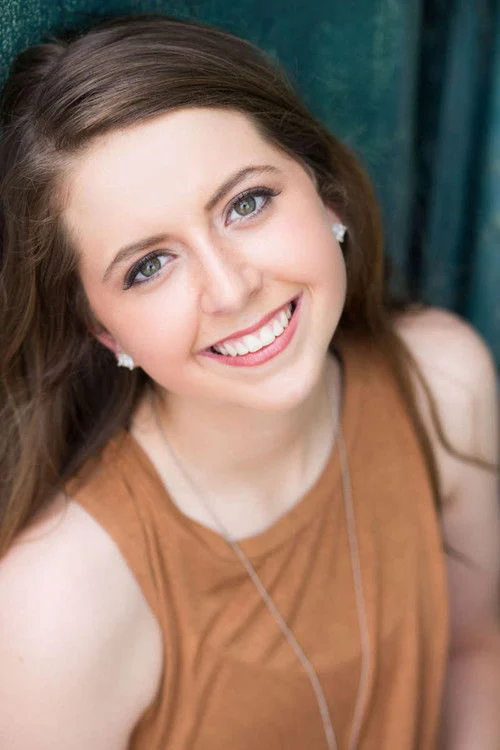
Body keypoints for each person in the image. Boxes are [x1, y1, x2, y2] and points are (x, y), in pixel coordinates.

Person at [0, 13, 498, 750]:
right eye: (148, 266)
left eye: (247, 203)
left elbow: (474, 651)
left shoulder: (443, 383)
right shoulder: (58, 602)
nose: (230, 290)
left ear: (324, 193)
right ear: (103, 331)